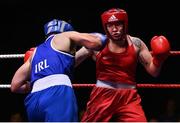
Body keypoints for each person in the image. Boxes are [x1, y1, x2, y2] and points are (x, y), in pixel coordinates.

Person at [75, 8, 171, 122]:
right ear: (105, 27)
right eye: (110, 25)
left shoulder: (136, 44)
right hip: (103, 94)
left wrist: (159, 59)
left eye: (118, 25)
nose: (115, 29)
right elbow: (72, 62)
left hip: (129, 97)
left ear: (125, 24)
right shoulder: (97, 44)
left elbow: (154, 71)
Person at [10, 19, 107, 122]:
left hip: (33, 101)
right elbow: (96, 42)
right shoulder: (65, 36)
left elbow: (15, 85)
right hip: (57, 94)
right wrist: (106, 37)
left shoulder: (34, 53)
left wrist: (86, 51)